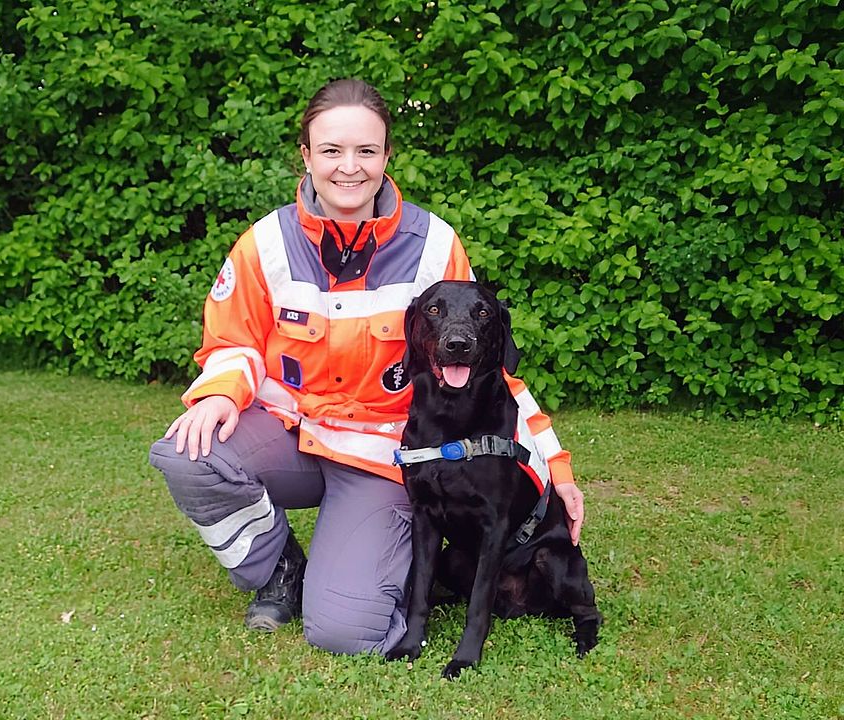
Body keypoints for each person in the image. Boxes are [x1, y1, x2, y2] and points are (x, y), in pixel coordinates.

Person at [148, 78, 585, 656]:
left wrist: (555, 466)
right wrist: (222, 394)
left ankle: (365, 561)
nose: (349, 167)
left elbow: (486, 366)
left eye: (366, 151)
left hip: (383, 457)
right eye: (331, 150)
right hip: (291, 435)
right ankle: (279, 569)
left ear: (386, 156)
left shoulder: (434, 245)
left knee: (345, 631)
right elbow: (232, 340)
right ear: (306, 156)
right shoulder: (265, 243)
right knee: (188, 454)